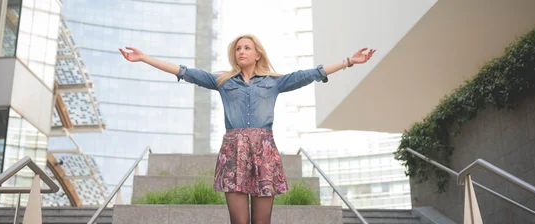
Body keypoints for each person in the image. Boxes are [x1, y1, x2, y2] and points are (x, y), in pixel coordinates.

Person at [119, 34, 375, 224]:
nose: (241, 51)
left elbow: (311, 73)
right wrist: (144, 58)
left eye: (247, 48)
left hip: (264, 152)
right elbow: (185, 72)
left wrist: (348, 62)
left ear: (257, 54)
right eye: (238, 48)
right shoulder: (222, 81)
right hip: (234, 152)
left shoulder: (274, 83)